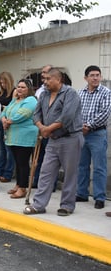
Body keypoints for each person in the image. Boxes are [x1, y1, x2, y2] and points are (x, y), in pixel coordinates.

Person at [24, 68, 83, 216]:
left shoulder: (71, 94)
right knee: (46, 172)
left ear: (58, 79)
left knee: (70, 174)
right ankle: (39, 205)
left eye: (48, 79)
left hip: (70, 138)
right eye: (44, 79)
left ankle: (67, 206)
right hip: (52, 139)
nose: (45, 82)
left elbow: (67, 117)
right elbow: (36, 114)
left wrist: (47, 129)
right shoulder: (43, 95)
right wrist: (41, 127)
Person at [76, 65, 111, 209]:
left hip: (97, 133)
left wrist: (88, 125)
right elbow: (75, 111)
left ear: (101, 77)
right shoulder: (79, 93)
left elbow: (105, 112)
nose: (95, 78)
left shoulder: (106, 92)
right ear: (86, 78)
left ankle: (99, 197)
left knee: (99, 167)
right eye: (92, 75)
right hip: (81, 133)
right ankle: (81, 194)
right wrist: (80, 127)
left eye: (98, 75)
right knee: (82, 166)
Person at [1, 79, 38, 198]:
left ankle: (23, 188)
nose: (19, 89)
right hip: (13, 136)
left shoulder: (31, 100)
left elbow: (23, 114)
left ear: (29, 89)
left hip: (25, 136)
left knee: (23, 162)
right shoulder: (14, 100)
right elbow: (3, 113)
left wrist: (9, 121)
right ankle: (18, 184)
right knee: (17, 162)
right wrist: (4, 121)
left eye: (23, 87)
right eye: (18, 87)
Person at [32, 65, 53, 188]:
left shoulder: (63, 92)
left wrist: (48, 128)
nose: (43, 75)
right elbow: (37, 111)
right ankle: (37, 181)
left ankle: (51, 184)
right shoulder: (41, 91)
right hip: (41, 129)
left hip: (52, 130)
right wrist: (40, 126)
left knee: (50, 160)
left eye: (45, 72)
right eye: (42, 73)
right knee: (39, 158)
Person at [0, 72, 15, 183]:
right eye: (1, 83)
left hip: (9, 122)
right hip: (1, 121)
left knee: (9, 150)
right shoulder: (1, 92)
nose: (2, 84)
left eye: (4, 82)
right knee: (2, 149)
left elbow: (13, 106)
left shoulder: (14, 91)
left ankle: (8, 173)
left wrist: (2, 107)